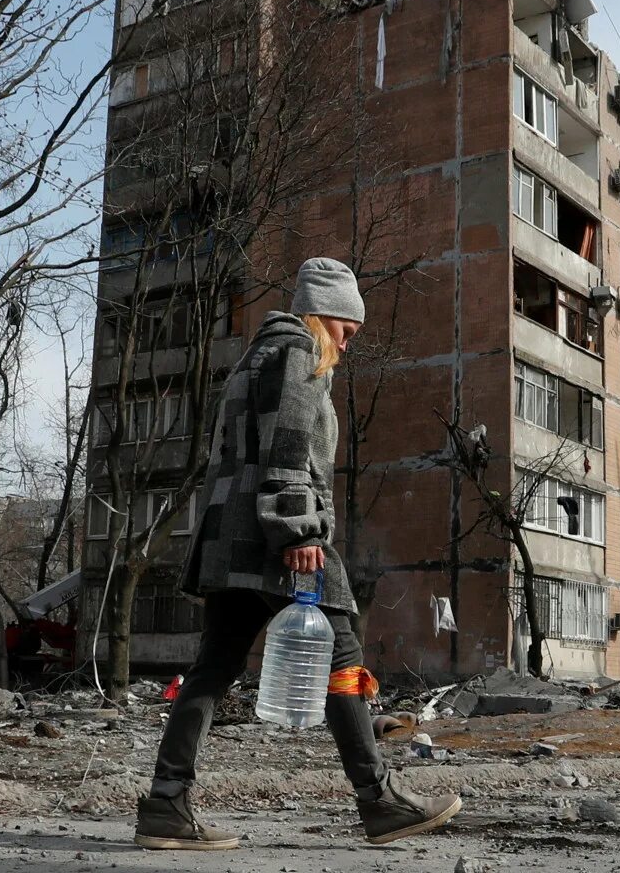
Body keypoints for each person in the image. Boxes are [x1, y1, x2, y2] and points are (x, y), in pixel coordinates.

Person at [136, 259, 460, 850]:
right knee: (342, 659)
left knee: (211, 671)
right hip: (276, 542)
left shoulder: (253, 359)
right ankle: (379, 800)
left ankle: (165, 803)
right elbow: (287, 449)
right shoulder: (297, 355)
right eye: (346, 329)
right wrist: (298, 533)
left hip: (230, 542)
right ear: (324, 314)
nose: (346, 342)